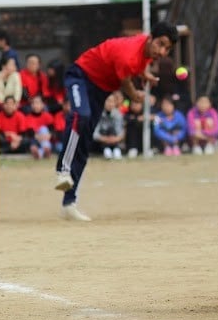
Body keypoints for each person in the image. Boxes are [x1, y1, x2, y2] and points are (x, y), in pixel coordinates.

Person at [54, 21, 179, 221]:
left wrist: (145, 74)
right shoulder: (128, 54)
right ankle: (63, 170)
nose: (162, 51)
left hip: (100, 90)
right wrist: (136, 96)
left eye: (167, 48)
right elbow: (126, 83)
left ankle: (69, 203)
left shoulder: (145, 51)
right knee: (81, 116)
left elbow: (137, 65)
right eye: (161, 44)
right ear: (150, 38)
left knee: (85, 143)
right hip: (81, 77)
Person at [92, 94, 125, 160]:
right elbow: (94, 133)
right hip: (100, 141)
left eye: (112, 101)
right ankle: (107, 151)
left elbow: (120, 132)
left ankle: (116, 150)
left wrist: (115, 139)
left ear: (115, 103)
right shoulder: (98, 114)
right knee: (104, 130)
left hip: (114, 140)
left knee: (112, 130)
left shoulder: (118, 115)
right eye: (108, 101)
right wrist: (105, 139)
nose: (110, 104)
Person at [24, 95, 56, 159]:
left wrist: (49, 135)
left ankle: (42, 151)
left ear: (42, 105)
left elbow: (53, 131)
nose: (36, 105)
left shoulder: (48, 116)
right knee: (32, 142)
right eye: (33, 103)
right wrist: (37, 137)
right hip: (34, 139)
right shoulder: (27, 118)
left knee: (43, 129)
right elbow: (29, 133)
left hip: (46, 138)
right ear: (31, 105)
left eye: (38, 103)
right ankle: (43, 151)